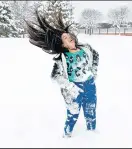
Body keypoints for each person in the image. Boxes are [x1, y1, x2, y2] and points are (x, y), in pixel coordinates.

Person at [26, 10, 99, 138]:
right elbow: (55, 76)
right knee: (73, 113)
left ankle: (91, 134)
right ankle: (67, 135)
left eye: (69, 36)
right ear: (62, 44)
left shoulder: (86, 49)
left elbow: (96, 56)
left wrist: (93, 72)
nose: (69, 37)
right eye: (65, 38)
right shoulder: (62, 58)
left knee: (91, 110)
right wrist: (71, 88)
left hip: (90, 84)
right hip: (74, 89)